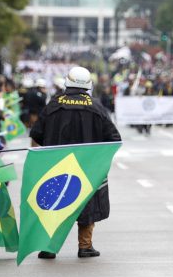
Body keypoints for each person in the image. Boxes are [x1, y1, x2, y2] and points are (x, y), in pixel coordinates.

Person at [30, 66, 121, 259]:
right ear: (88, 85)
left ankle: (49, 247)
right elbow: (114, 137)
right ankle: (85, 246)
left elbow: (36, 133)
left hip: (56, 165)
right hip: (87, 167)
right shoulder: (96, 107)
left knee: (56, 202)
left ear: (67, 82)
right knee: (86, 203)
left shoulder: (54, 105)